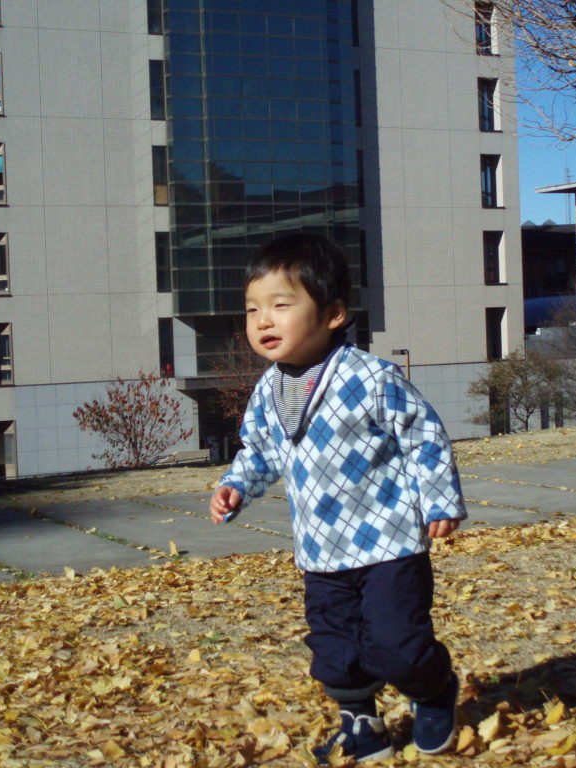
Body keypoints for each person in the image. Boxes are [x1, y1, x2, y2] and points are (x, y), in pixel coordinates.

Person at [209, 233, 467, 763]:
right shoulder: (268, 390)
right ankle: (361, 723)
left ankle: (433, 688)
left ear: (332, 313)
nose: (263, 321)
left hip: (389, 542)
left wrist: (439, 500)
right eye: (253, 308)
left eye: (282, 305)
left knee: (397, 643)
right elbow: (260, 451)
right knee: (335, 648)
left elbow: (424, 435)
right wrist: (237, 485)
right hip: (321, 549)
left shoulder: (370, 378)